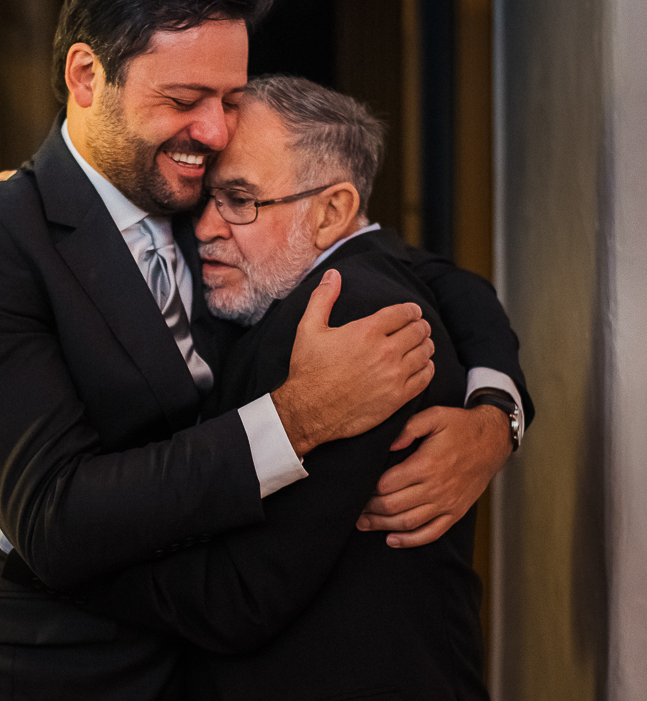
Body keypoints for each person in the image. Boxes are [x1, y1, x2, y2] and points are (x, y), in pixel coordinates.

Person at [0, 0, 529, 701]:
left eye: (229, 99)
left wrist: (494, 415)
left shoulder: (196, 196)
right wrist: (298, 415)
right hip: (45, 669)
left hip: (193, 666)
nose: (212, 130)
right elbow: (55, 519)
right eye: (183, 99)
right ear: (85, 76)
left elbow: (421, 268)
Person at [64, 73, 496, 700]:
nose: (206, 227)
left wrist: (56, 543)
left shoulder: (350, 317)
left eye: (240, 200)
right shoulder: (303, 289)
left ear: (332, 212)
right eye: (205, 198)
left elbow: (237, 596)